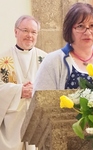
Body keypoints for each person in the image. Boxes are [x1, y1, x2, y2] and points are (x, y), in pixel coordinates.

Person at [34, 2, 93, 91]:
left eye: (92, 26)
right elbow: (41, 99)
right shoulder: (52, 61)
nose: (87, 32)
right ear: (69, 29)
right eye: (80, 26)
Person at [0, 15, 47, 150]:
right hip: (12, 125)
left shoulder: (45, 59)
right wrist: (18, 91)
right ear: (16, 32)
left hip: (37, 122)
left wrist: (36, 90)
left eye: (33, 32)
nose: (29, 35)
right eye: (25, 30)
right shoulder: (3, 59)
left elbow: (53, 88)